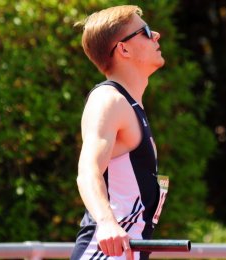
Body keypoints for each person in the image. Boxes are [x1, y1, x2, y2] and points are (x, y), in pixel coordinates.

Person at [72, 5, 169, 260]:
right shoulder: (108, 99)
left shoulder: (130, 104)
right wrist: (105, 222)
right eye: (146, 31)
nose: (156, 34)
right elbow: (87, 171)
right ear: (123, 49)